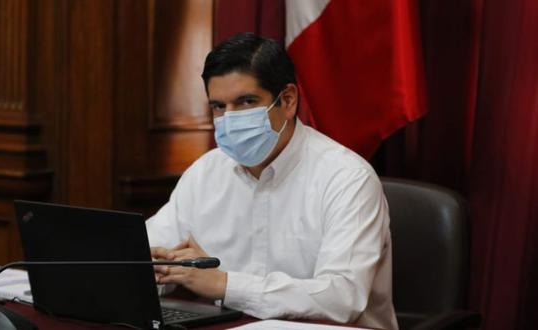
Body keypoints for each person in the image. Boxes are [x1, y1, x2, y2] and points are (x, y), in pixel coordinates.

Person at [146, 32, 398, 330]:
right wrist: (153, 270)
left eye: (246, 101)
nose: (229, 118)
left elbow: (340, 298)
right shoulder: (205, 173)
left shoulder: (347, 178)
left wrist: (225, 285)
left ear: (288, 100)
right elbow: (152, 250)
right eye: (218, 106)